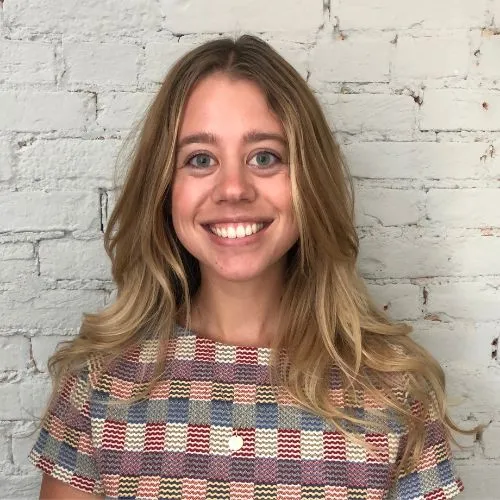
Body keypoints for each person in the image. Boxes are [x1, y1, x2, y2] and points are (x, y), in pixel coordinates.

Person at [30, 34, 471, 499]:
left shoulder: (394, 392)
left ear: (309, 180)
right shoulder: (99, 382)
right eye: (200, 159)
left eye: (265, 157)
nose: (233, 189)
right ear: (163, 187)